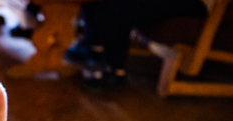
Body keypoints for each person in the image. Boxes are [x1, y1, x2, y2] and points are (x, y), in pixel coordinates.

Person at [64, 0, 212, 90]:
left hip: (190, 4)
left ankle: (115, 72)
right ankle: (94, 47)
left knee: (115, 7)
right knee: (96, 2)